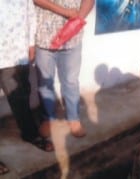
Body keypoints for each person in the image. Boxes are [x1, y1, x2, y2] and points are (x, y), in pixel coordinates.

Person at [0, 0, 54, 175]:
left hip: (14, 51)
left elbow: (30, 13)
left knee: (20, 97)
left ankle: (30, 134)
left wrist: (30, 43)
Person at [33, 0, 94, 138]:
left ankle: (73, 119)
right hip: (45, 38)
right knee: (45, 83)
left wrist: (79, 18)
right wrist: (66, 12)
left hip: (72, 37)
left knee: (71, 81)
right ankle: (49, 119)